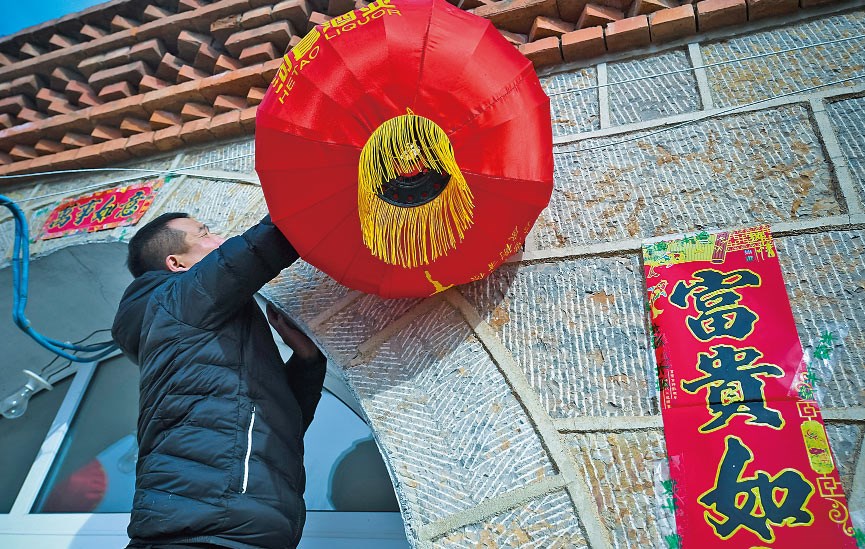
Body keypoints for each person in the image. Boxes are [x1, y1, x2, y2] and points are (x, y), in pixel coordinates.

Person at [111, 212, 326, 549]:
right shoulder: (175, 300)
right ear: (177, 263)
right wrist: (309, 205)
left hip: (225, 528)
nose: (220, 240)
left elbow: (277, 422)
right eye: (205, 234)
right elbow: (257, 248)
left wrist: (307, 362)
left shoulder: (194, 332)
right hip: (204, 531)